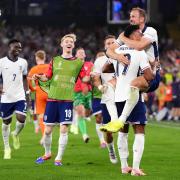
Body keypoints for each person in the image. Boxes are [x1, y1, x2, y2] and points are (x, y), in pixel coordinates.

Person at [104, 25, 153, 176]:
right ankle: (136, 168)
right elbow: (149, 76)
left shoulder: (116, 51)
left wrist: (120, 73)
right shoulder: (140, 52)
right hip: (133, 95)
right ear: (132, 35)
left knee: (123, 132)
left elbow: (105, 68)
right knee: (139, 130)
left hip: (118, 96)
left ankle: (124, 166)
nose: (141, 35)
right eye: (139, 33)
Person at [104, 7, 160, 131]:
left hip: (149, 73)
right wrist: (118, 56)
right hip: (131, 73)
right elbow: (108, 51)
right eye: (130, 16)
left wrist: (123, 38)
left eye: (133, 16)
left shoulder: (150, 31)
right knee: (109, 86)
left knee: (134, 84)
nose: (130, 19)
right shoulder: (128, 34)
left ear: (142, 19)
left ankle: (121, 120)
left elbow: (140, 46)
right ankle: (115, 120)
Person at [35, 33, 83, 166]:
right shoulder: (54, 60)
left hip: (67, 101)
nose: (69, 43)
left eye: (71, 42)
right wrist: (40, 77)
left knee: (63, 129)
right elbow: (47, 77)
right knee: (48, 130)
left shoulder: (78, 62)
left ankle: (58, 158)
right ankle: (48, 153)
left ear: (73, 45)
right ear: (62, 44)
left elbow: (84, 78)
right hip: (52, 100)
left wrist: (91, 76)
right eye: (66, 41)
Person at [93, 35, 120, 164]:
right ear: (105, 47)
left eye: (112, 42)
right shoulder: (100, 61)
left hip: (121, 96)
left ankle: (124, 158)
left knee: (124, 128)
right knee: (109, 131)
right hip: (107, 97)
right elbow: (96, 77)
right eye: (108, 43)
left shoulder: (123, 56)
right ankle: (111, 150)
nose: (110, 44)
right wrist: (99, 86)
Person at [0, 39, 28, 159]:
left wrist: (27, 93)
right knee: (6, 122)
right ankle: (7, 148)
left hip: (19, 96)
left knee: (21, 118)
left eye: (20, 48)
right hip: (6, 97)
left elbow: (25, 78)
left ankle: (15, 134)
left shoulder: (23, 62)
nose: (18, 49)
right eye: (16, 47)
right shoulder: (1, 62)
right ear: (10, 47)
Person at [27, 50, 49, 144]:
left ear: (36, 58)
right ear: (44, 58)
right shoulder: (49, 67)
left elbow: (29, 82)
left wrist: (33, 89)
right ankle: (46, 134)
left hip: (39, 92)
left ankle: (44, 135)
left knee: (41, 116)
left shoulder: (33, 69)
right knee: (50, 116)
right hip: (49, 92)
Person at [73, 47, 93, 142]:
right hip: (76, 93)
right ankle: (84, 135)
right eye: (79, 53)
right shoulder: (72, 66)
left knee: (88, 113)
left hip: (88, 93)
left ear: (85, 55)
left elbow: (94, 76)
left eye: (82, 52)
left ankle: (79, 121)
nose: (81, 54)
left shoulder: (90, 65)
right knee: (80, 112)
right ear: (76, 55)